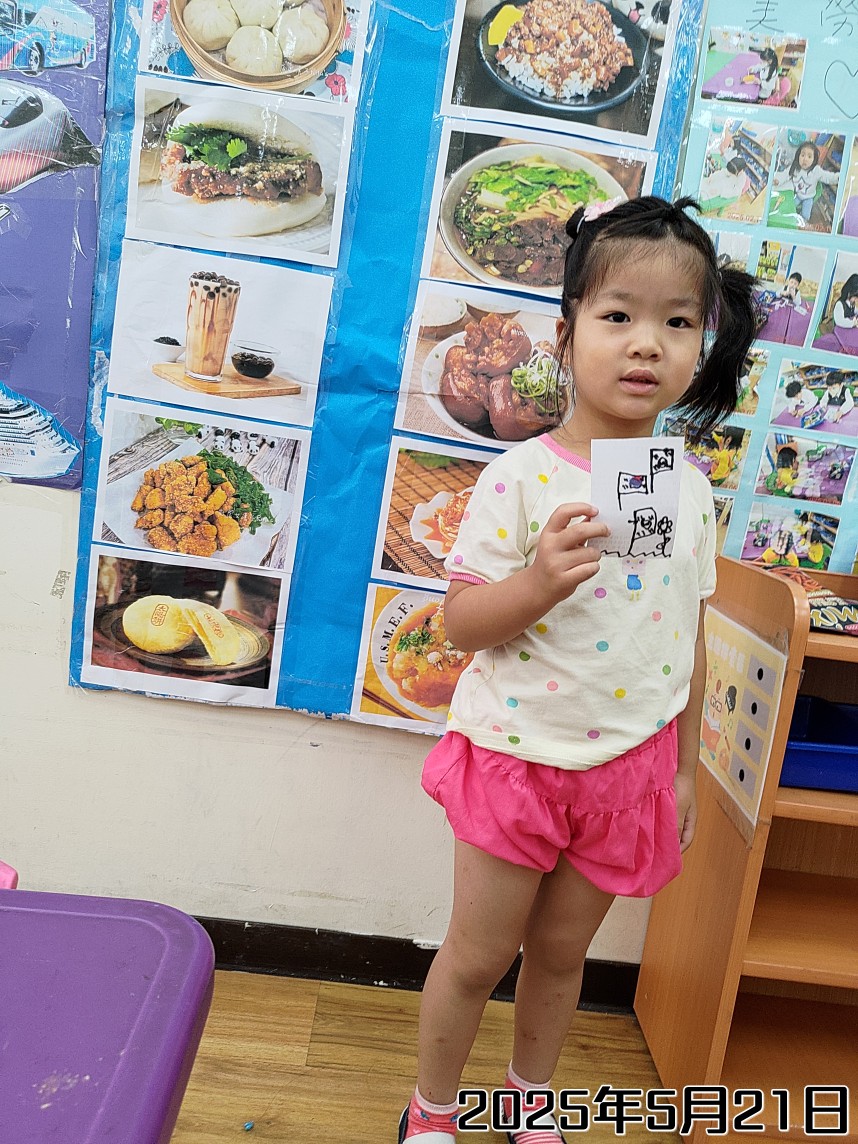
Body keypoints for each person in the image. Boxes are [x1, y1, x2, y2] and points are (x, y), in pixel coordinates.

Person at [398, 196, 757, 1144]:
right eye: (618, 315)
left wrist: (683, 769)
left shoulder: (685, 489)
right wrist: (538, 582)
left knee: (562, 958)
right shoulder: (519, 477)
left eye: (677, 322)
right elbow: (459, 624)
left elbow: (683, 636)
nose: (647, 344)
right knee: (479, 956)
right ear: (565, 335)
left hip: (627, 771)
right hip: (518, 756)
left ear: (701, 344)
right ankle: (432, 1110)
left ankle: (530, 1098)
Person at [776, 140, 840, 225]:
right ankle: (789, 221)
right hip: (796, 194)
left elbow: (828, 177)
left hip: (808, 197)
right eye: (802, 155)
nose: (805, 159)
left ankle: (801, 223)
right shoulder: (795, 167)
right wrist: (778, 180)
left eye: (809, 156)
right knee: (789, 207)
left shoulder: (816, 171)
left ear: (814, 159)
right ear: (798, 156)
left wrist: (838, 178)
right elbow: (785, 174)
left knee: (806, 215)